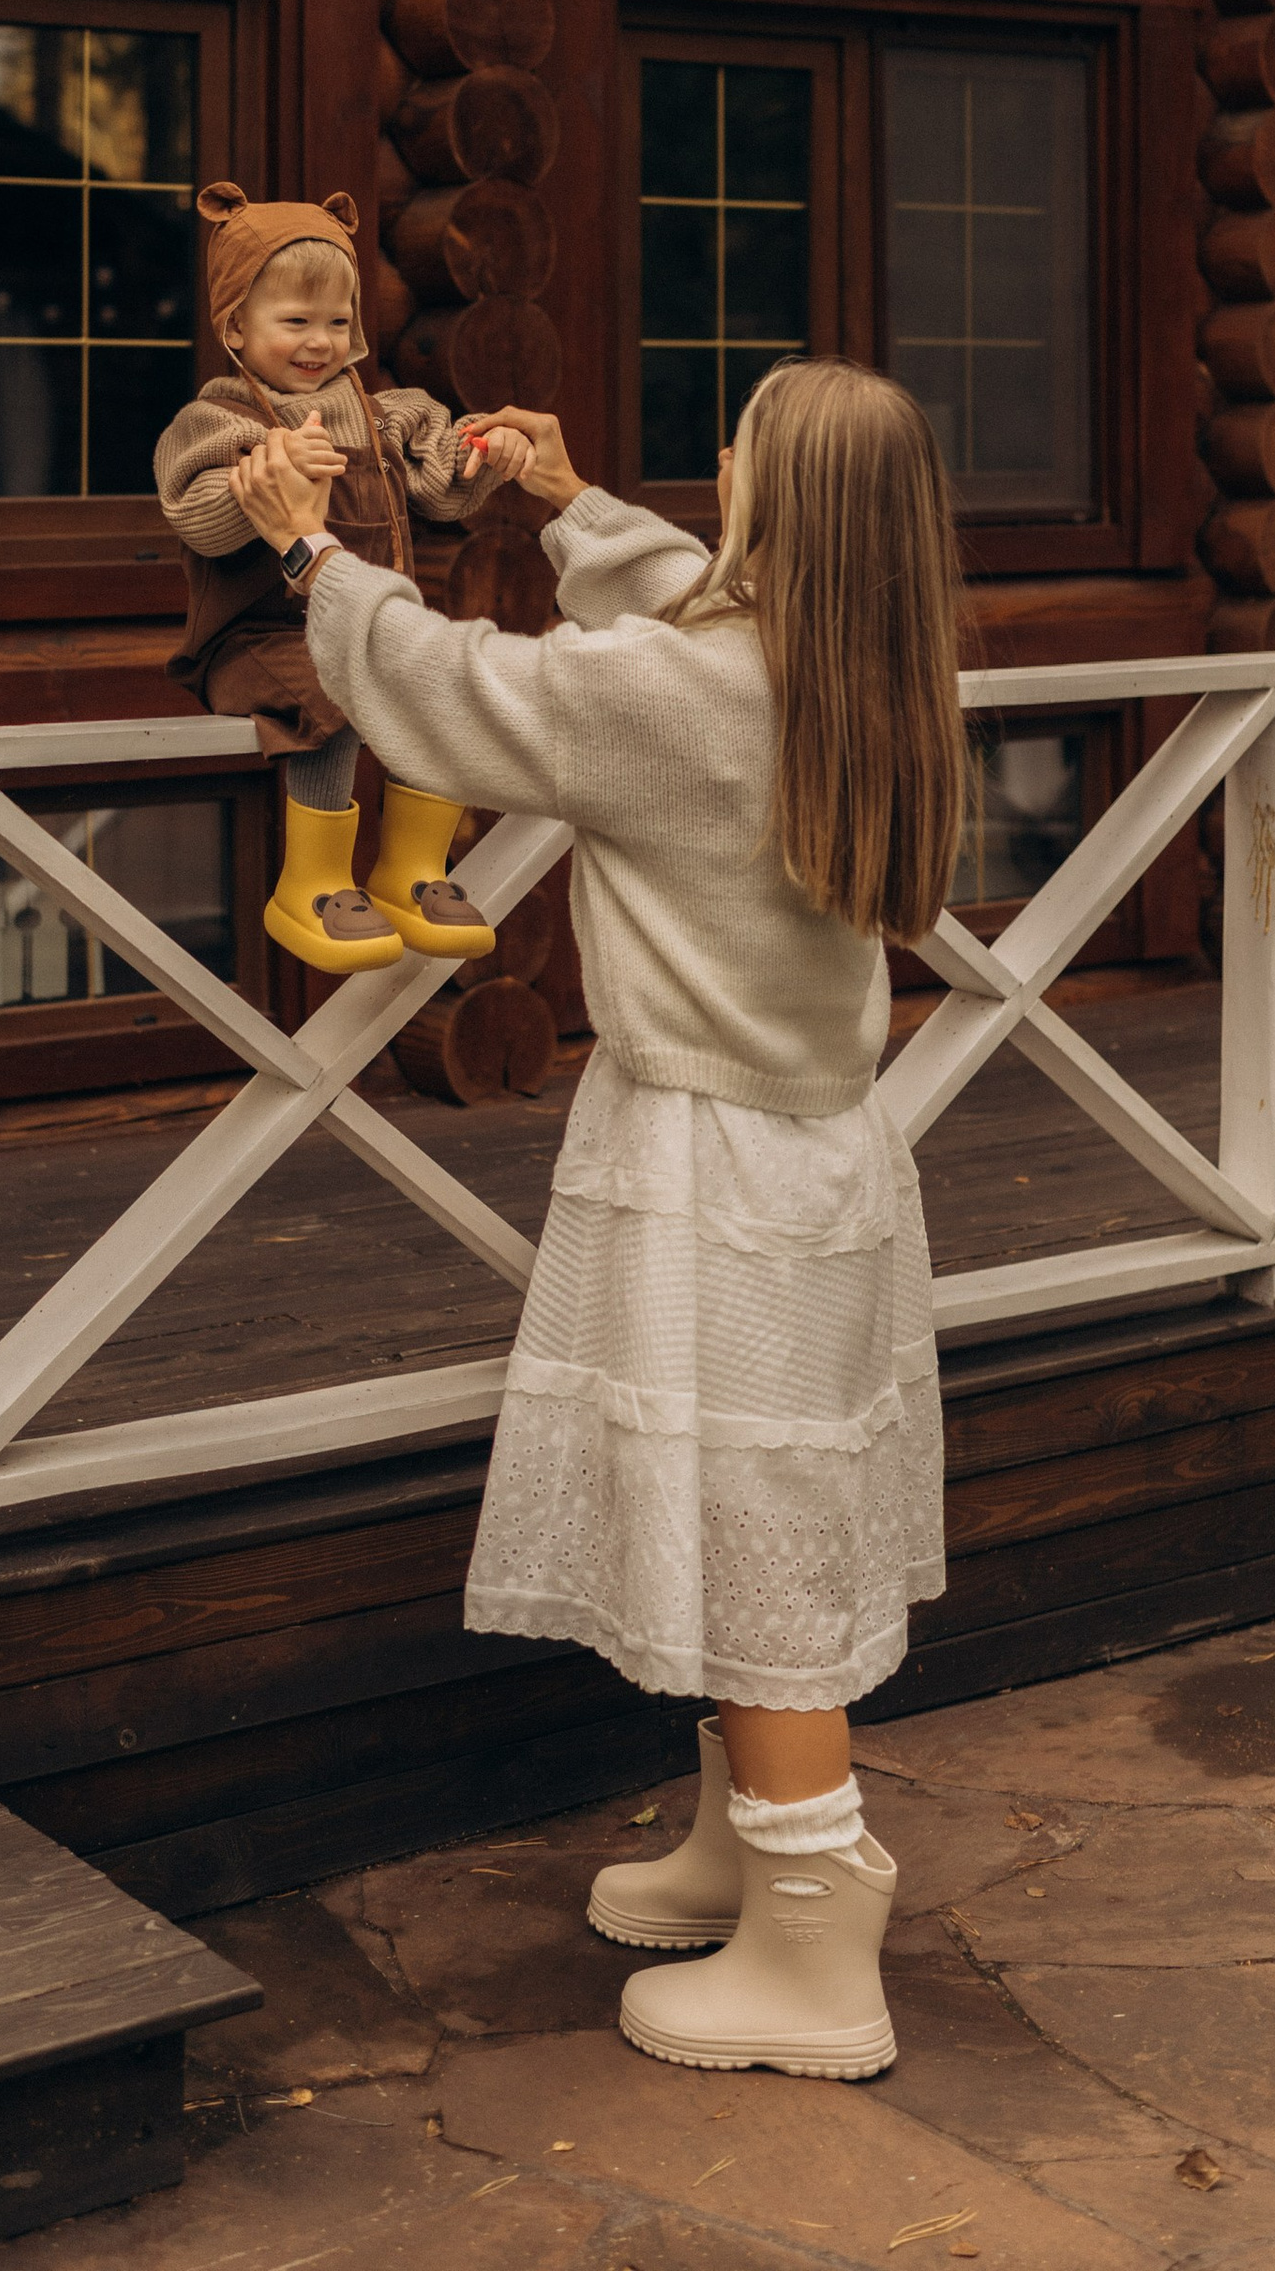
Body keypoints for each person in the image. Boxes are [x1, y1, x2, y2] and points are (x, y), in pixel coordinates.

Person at [227, 357, 965, 2081]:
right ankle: (745, 1844)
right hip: (831, 1163)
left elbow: (464, 692)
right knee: (766, 1490)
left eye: (739, 454)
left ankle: (815, 1942)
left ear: (774, 505)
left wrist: (314, 558)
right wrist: (568, 506)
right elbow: (689, 619)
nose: (714, 468)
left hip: (713, 1168)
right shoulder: (874, 663)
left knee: (757, 1526)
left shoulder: (688, 694)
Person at [154, 184, 520, 974]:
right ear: (235, 327)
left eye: (337, 322)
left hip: (366, 626)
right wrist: (266, 480)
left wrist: (482, 460)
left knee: (435, 678)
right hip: (257, 639)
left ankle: (410, 869)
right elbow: (197, 518)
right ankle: (312, 883)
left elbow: (436, 491)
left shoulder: (385, 413)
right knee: (337, 684)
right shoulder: (220, 422)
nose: (320, 342)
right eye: (295, 322)